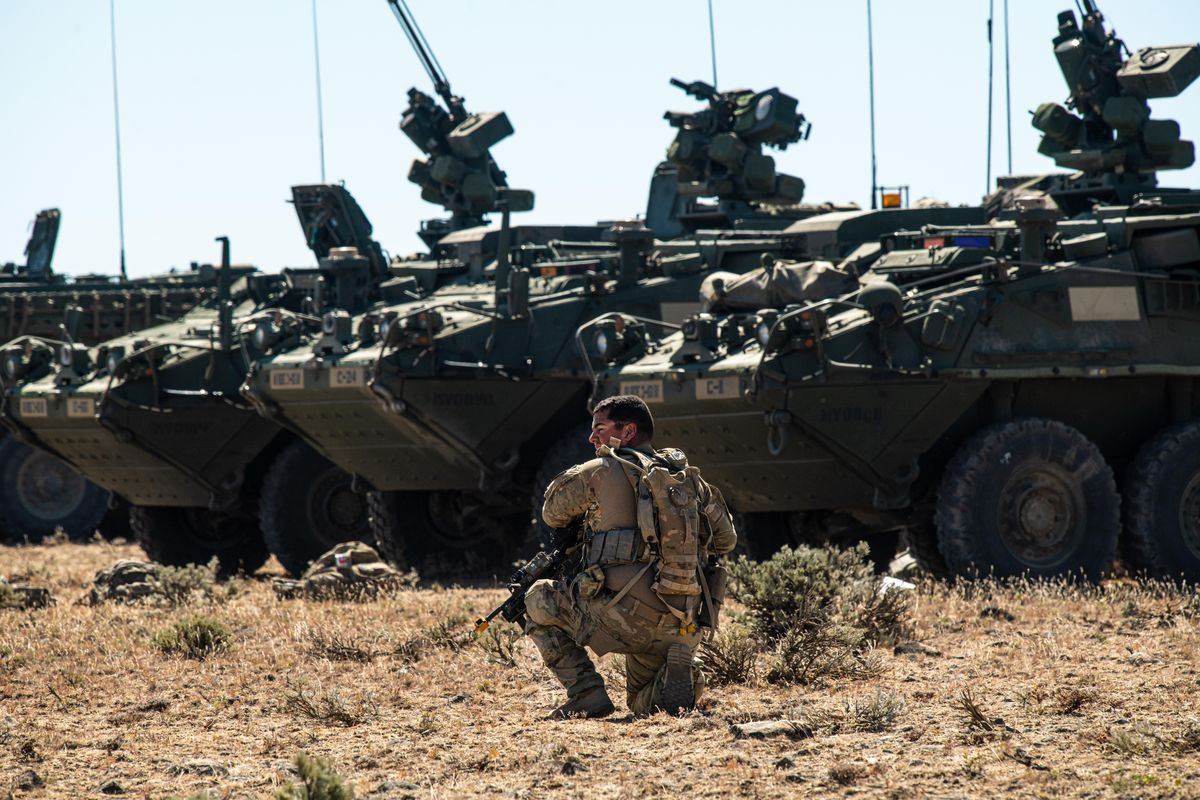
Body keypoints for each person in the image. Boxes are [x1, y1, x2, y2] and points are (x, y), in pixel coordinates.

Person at [524, 394, 737, 719]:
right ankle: (679, 675)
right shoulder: (689, 480)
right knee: (641, 703)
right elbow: (727, 539)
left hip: (621, 617)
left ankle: (586, 694)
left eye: (599, 428)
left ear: (627, 432)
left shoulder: (598, 471)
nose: (591, 437)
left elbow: (551, 513)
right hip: (683, 623)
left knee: (537, 598)